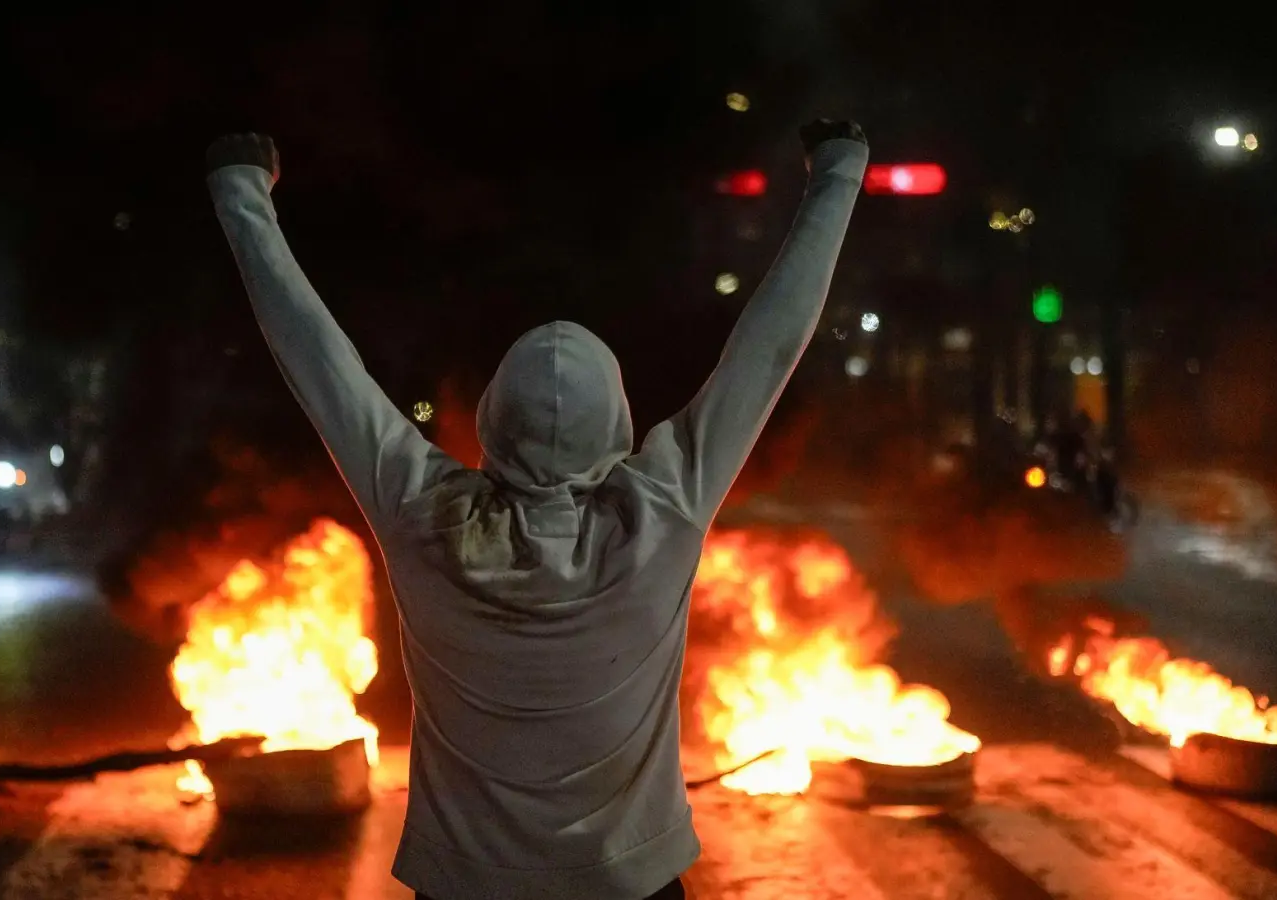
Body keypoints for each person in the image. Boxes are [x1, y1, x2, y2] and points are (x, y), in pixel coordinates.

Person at [204, 120, 868, 900]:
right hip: (633, 889)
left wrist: (241, 192)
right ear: (617, 420)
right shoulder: (661, 510)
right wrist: (838, 175)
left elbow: (319, 362)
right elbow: (769, 346)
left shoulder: (424, 514)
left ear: (492, 420)